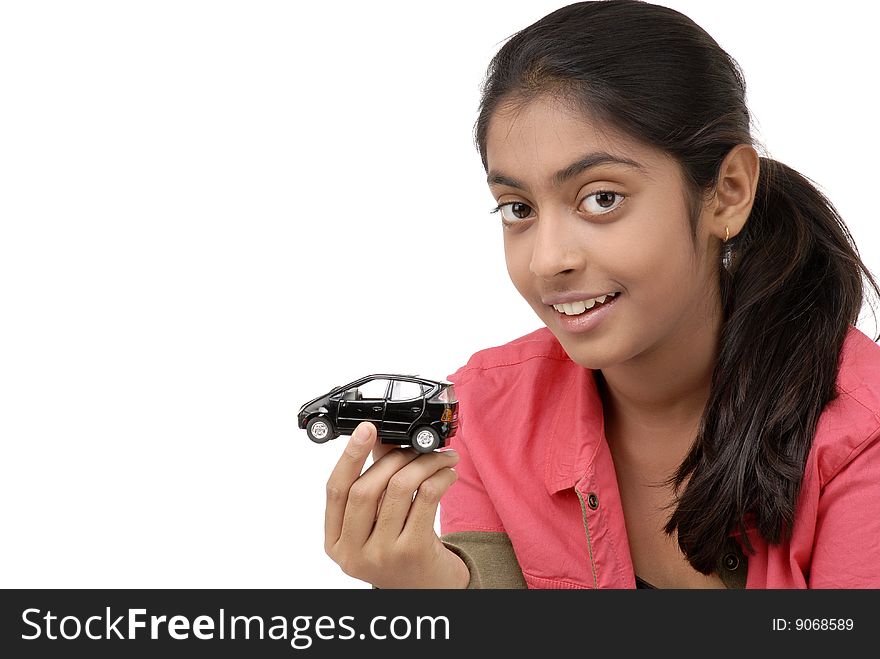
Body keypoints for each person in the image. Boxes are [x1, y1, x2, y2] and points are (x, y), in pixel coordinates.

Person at [322, 0, 880, 588]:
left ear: (728, 192)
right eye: (518, 209)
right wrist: (431, 586)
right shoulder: (484, 413)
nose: (548, 260)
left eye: (601, 198)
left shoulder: (859, 434)